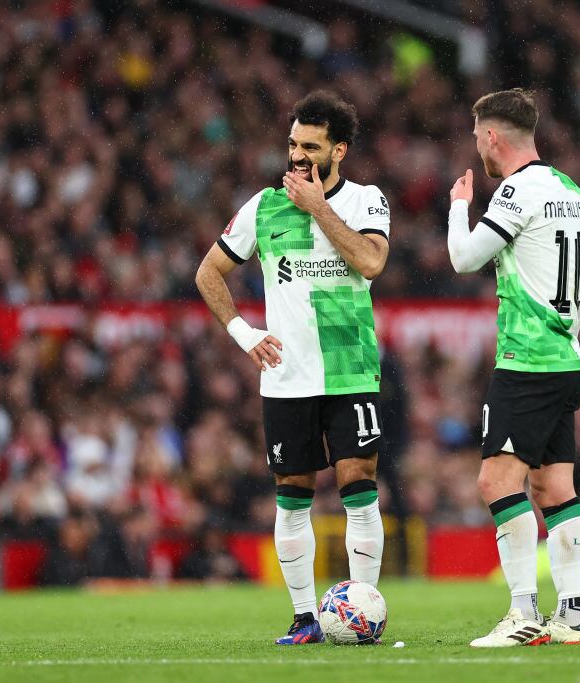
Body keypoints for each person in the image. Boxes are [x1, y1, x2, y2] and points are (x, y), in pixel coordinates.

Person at [195, 91, 391, 645]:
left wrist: (317, 208)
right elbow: (208, 273)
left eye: (311, 147)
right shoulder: (261, 207)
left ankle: (364, 612)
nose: (298, 157)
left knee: (359, 488)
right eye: (292, 145)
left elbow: (372, 262)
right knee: (293, 496)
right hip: (286, 379)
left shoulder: (366, 201)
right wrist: (243, 333)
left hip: (350, 371)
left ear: (339, 151)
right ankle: (305, 618)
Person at [446, 89, 580, 647]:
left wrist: (461, 206)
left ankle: (523, 613)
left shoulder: (516, 191)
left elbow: (463, 259)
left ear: (491, 137)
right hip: (566, 355)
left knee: (495, 480)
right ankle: (573, 615)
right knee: (554, 486)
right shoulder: (569, 190)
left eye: (476, 136)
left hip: (528, 359)